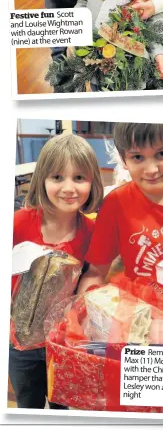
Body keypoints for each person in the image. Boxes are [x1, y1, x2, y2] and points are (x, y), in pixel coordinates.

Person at [9, 133, 103, 409]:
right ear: (42, 180)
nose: (68, 188)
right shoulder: (17, 224)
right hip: (20, 343)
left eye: (79, 178)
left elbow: (93, 277)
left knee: (62, 404)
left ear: (93, 182)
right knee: (28, 405)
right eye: (57, 177)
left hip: (63, 341)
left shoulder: (92, 232)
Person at [79, 123, 163, 325]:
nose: (151, 170)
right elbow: (95, 273)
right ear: (124, 159)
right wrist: (87, 315)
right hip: (142, 322)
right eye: (137, 157)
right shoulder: (116, 204)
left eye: (162, 153)